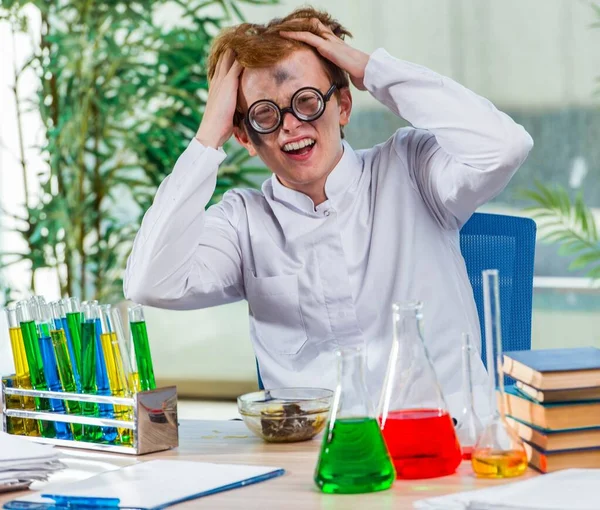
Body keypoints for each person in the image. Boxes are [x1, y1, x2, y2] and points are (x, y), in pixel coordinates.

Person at [124, 7, 533, 418]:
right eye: (265, 114)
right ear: (245, 137)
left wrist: (373, 70)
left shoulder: (412, 169)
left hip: (444, 445)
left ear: (342, 106)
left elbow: (504, 147)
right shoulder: (243, 222)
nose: (290, 126)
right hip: (319, 459)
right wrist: (208, 136)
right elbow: (150, 283)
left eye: (307, 101)